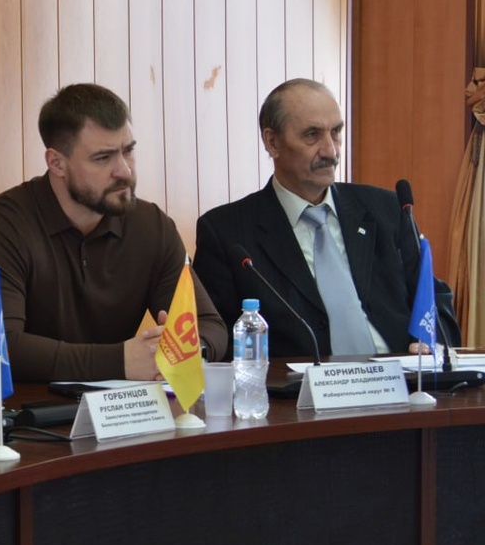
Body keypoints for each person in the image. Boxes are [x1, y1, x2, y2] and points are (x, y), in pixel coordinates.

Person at [0, 83, 227, 382]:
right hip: (19, 404)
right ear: (56, 163)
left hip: (120, 405)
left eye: (128, 151)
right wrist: (119, 361)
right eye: (103, 158)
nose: (124, 171)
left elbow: (208, 325)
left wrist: (184, 353)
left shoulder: (151, 225)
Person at [193, 78, 460, 360]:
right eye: (312, 135)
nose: (331, 151)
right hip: (299, 385)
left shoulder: (387, 209)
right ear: (272, 142)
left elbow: (434, 299)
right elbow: (217, 335)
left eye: (336, 132)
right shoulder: (227, 232)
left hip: (401, 377)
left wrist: (429, 343)